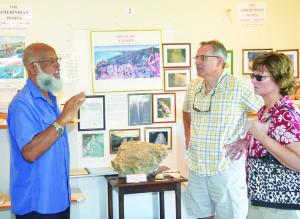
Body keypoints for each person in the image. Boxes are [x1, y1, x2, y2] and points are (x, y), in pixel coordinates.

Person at [182, 40, 263, 219]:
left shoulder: (239, 86)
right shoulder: (194, 86)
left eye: (203, 57)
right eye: (197, 57)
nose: (197, 62)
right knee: (202, 215)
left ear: (219, 61)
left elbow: (269, 113)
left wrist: (246, 140)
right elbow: (186, 109)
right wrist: (188, 132)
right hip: (197, 167)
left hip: (225, 168)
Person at [7, 43, 86, 218]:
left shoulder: (50, 99)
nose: (57, 64)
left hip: (58, 199)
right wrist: (63, 119)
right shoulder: (22, 103)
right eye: (50, 60)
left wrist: (61, 118)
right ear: (33, 68)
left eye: (57, 59)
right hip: (37, 205)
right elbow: (30, 152)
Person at [246, 52, 300, 218]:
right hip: (262, 200)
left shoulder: (284, 114)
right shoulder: (266, 110)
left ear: (279, 80)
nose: (253, 81)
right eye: (253, 75)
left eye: (260, 77)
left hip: (279, 204)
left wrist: (262, 137)